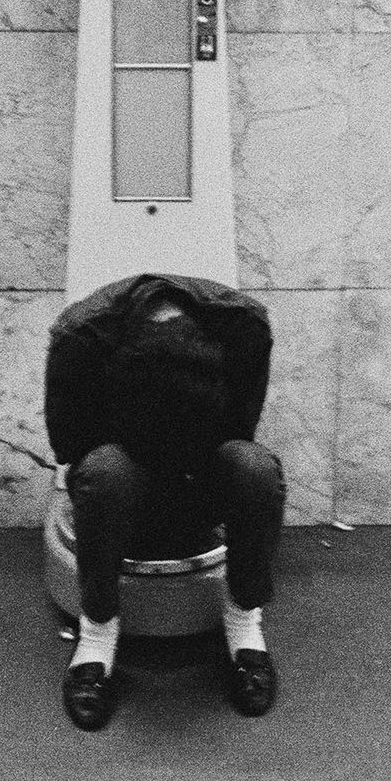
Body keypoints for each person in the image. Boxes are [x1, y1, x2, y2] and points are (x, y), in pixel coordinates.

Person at [44, 272, 285, 731]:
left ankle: (244, 625)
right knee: (103, 473)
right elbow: (70, 445)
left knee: (254, 468)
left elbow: (241, 426)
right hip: (124, 478)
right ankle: (96, 636)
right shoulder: (81, 336)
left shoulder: (241, 329)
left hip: (198, 472)